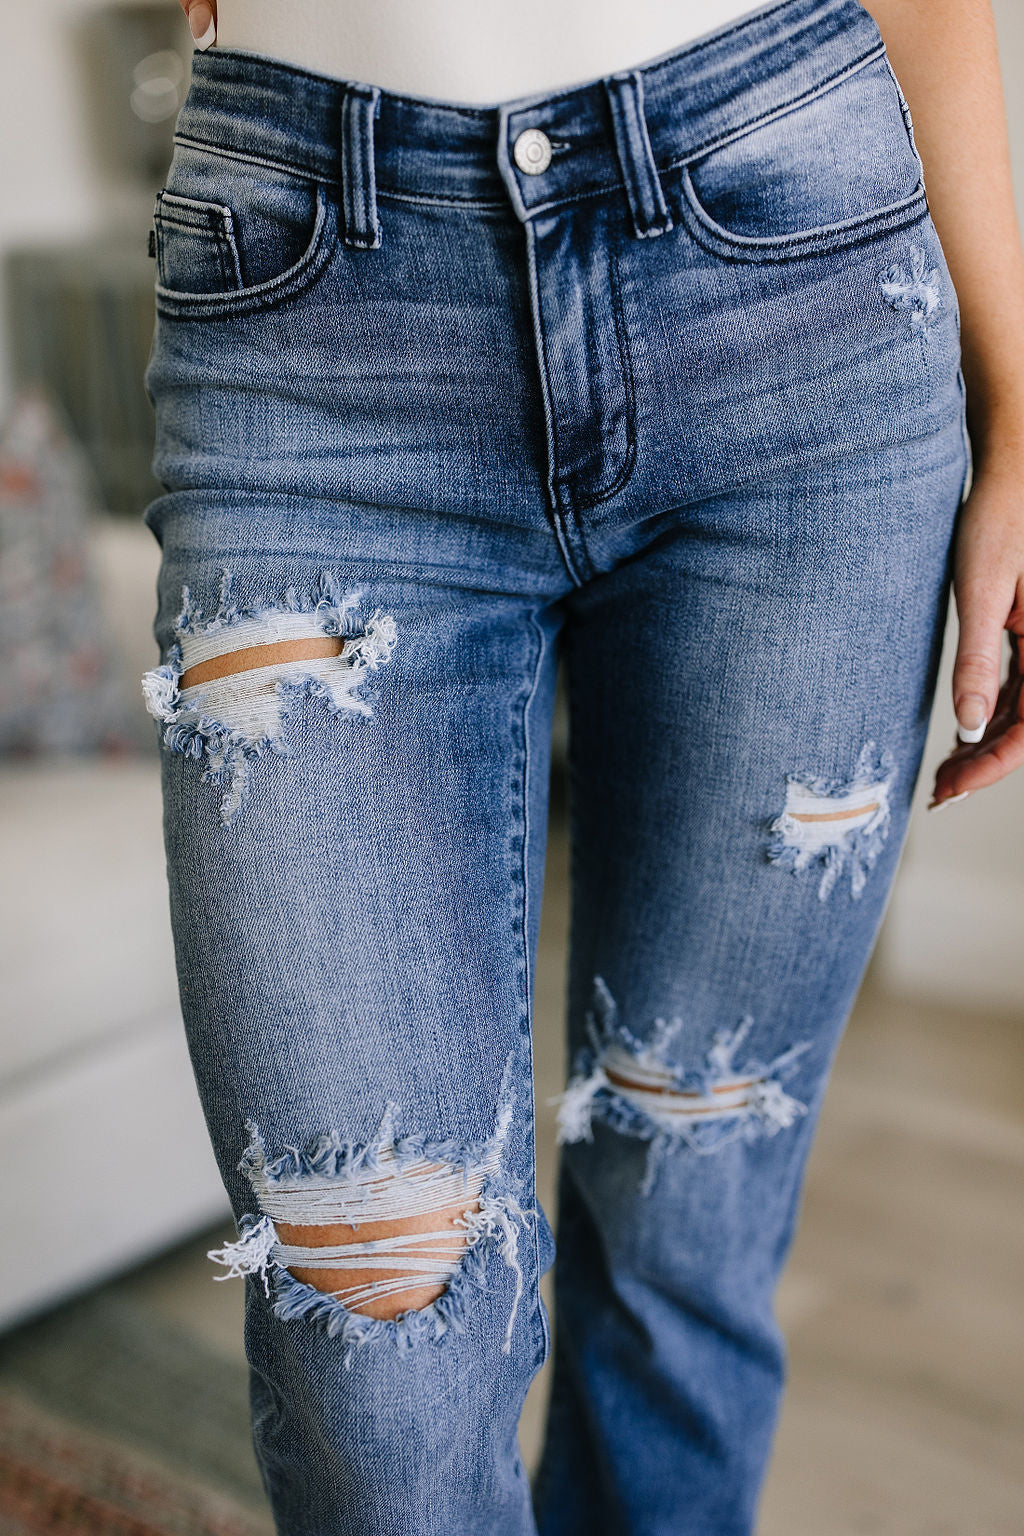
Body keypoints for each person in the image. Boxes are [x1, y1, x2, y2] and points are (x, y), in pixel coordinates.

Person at [144, 1, 1024, 1531]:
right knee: (374, 1376)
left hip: (792, 279)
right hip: (311, 327)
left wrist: (1020, 408)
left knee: (688, 1236)